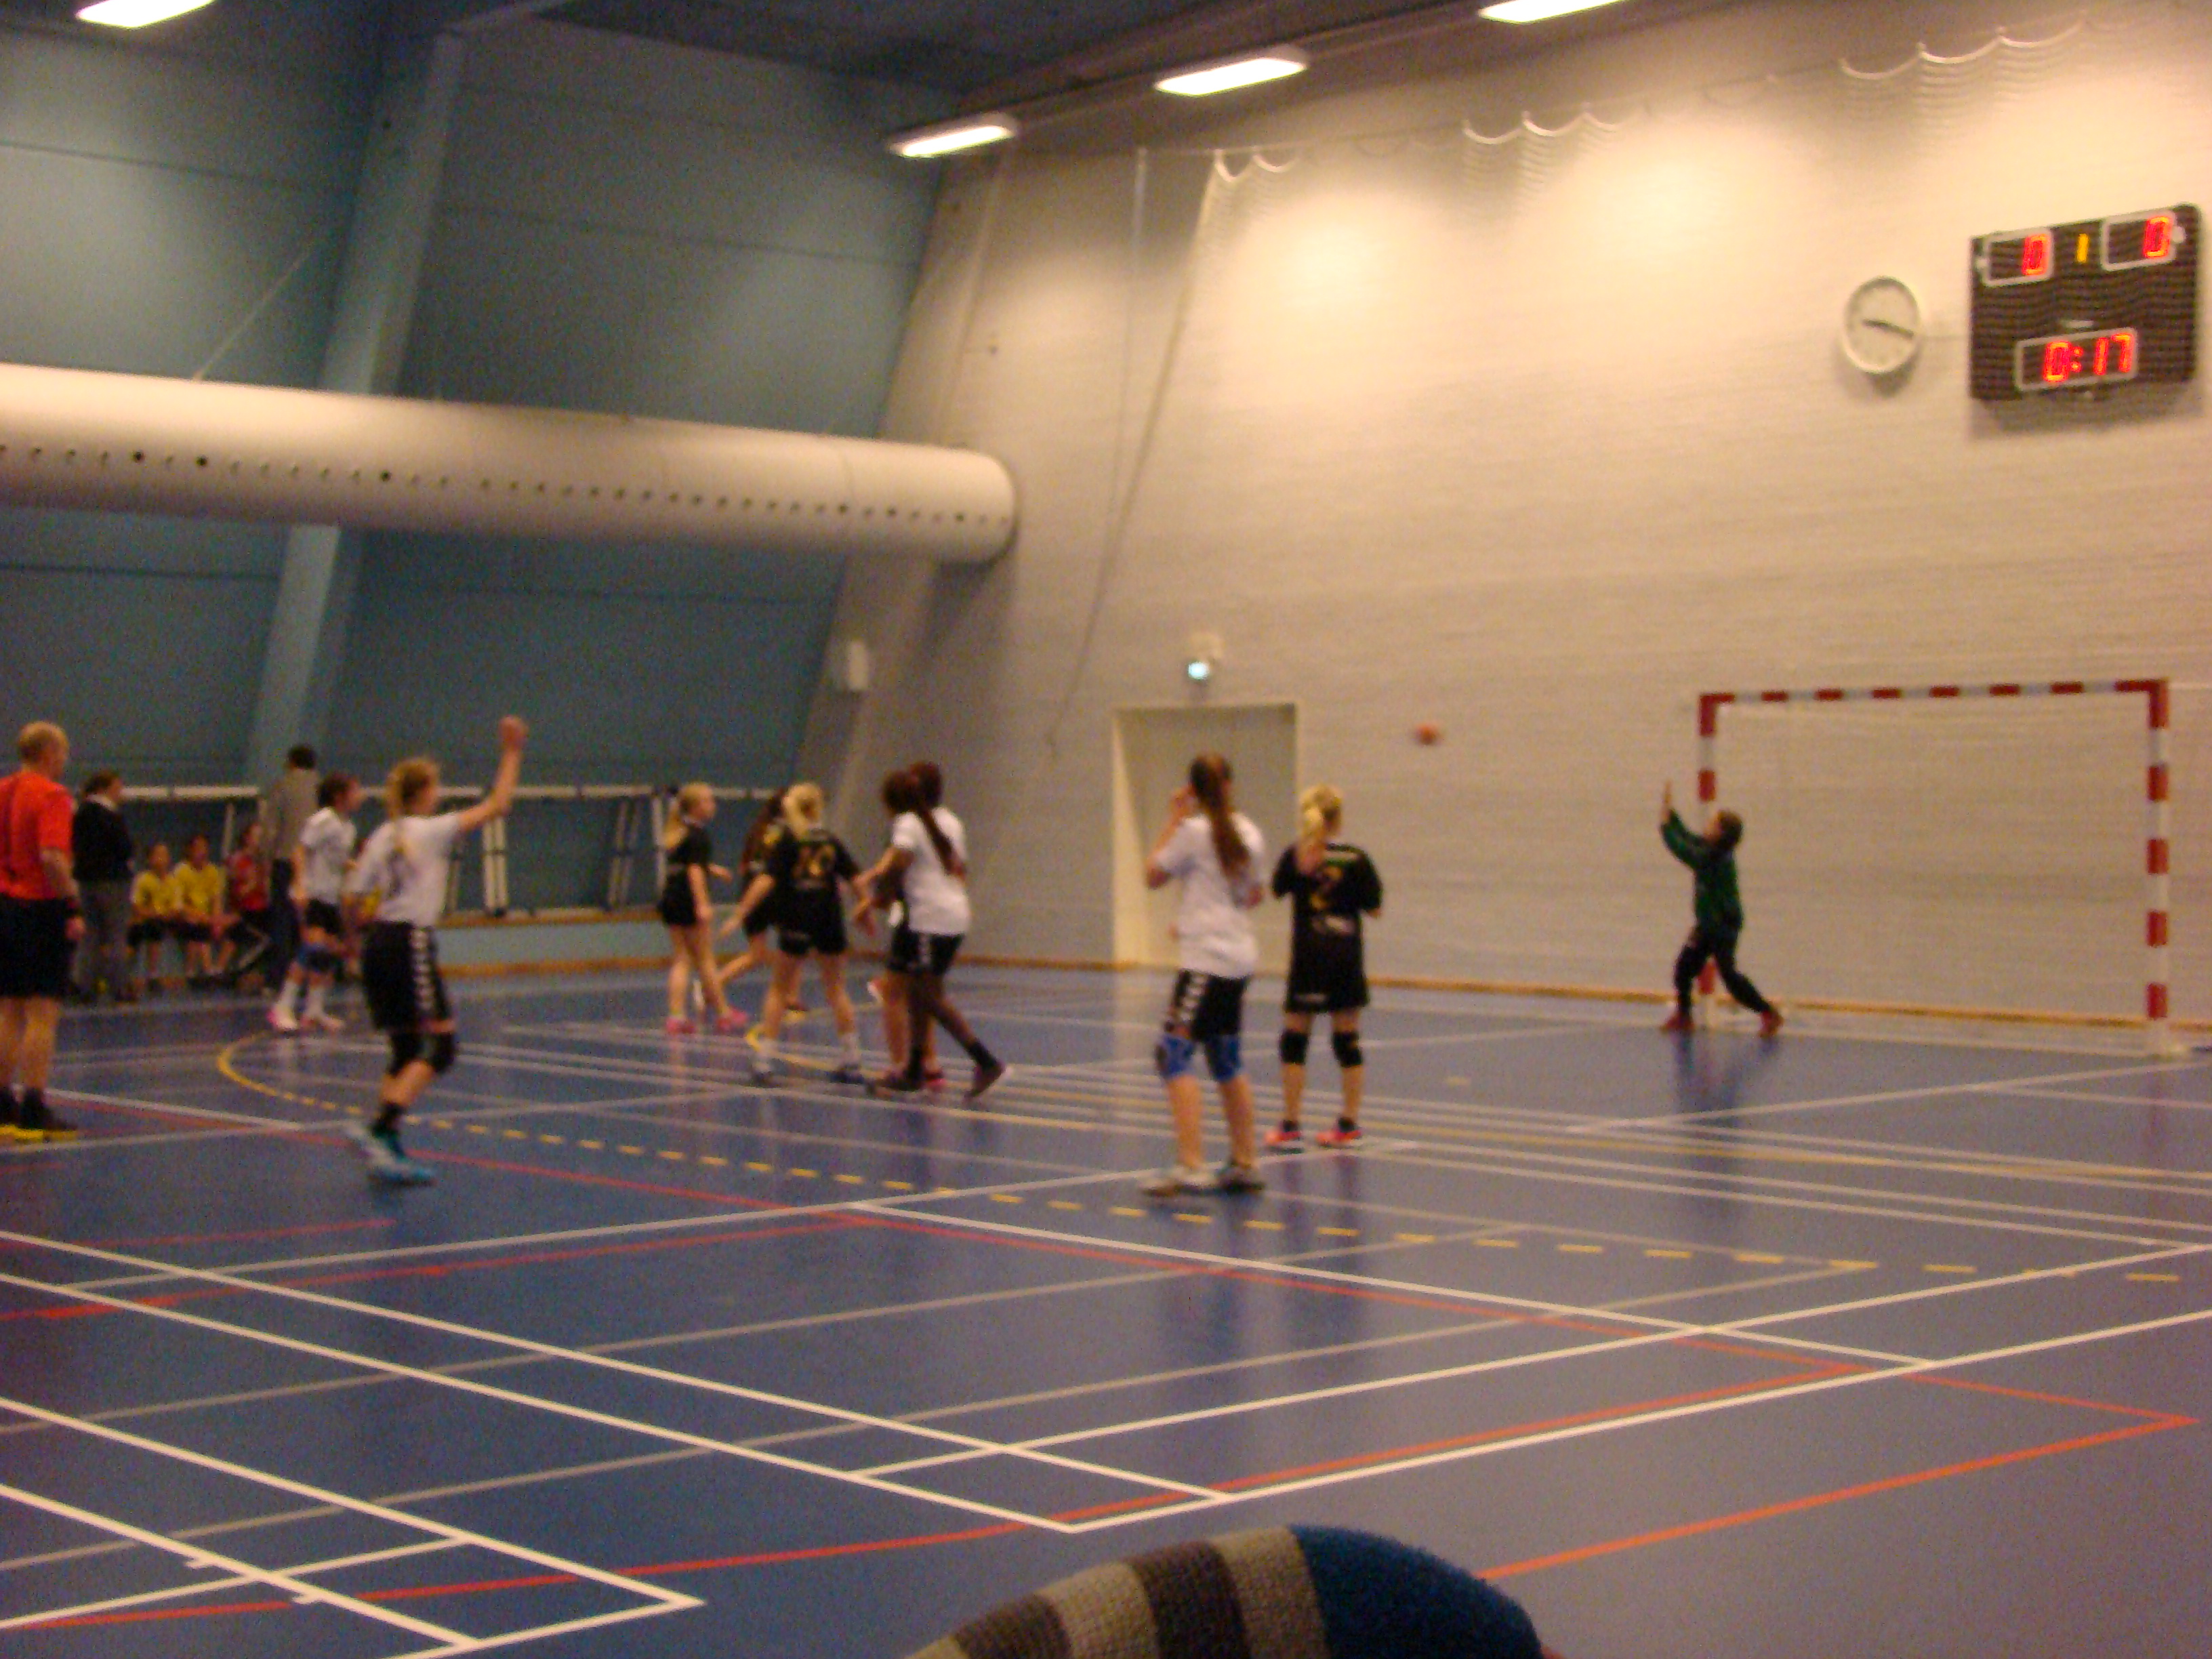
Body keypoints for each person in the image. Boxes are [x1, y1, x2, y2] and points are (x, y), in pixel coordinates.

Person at [342, 717, 527, 1183]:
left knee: (405, 1048)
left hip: (379, 942)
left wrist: (352, 945)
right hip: (410, 942)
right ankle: (382, 1130)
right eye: (435, 786)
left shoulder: (382, 835)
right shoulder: (430, 830)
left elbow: (351, 898)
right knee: (441, 1047)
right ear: (424, 792)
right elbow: (498, 805)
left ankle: (384, 1143)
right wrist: (511, 752)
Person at [1141, 754, 1266, 1197]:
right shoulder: (1250, 833)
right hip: (1239, 958)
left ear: (1193, 791)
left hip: (1206, 961)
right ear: (1229, 785)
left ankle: (1191, 1164)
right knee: (1225, 1057)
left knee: (1173, 1054)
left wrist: (1174, 817)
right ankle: (1245, 1162)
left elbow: (1152, 875)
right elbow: (1254, 895)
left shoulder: (1192, 832)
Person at [864, 761, 1006, 1101]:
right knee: (917, 993)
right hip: (951, 915)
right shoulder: (950, 821)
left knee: (929, 996)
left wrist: (881, 895)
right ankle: (915, 1070)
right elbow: (959, 868)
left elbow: (900, 862)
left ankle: (986, 1062)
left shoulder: (908, 823)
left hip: (931, 919)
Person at [1265, 784, 1384, 1151]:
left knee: (1294, 1040)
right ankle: (1348, 1123)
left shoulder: (1297, 855)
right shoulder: (1356, 859)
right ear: (1338, 817)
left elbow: (1276, 890)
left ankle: (1290, 1125)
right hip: (1345, 958)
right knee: (1347, 1041)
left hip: (1309, 958)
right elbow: (1375, 909)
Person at [737, 783, 867, 1086]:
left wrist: (741, 911)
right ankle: (852, 1059)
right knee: (836, 988)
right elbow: (856, 877)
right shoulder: (830, 840)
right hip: (829, 918)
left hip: (797, 917)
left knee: (779, 989)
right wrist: (865, 907)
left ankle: (764, 1060)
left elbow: (766, 880)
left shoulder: (789, 840)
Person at [1, 722, 82, 1141]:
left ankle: (2, 1102)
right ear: (49, 752)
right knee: (42, 1012)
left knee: (9, 1009)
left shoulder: (3, 790)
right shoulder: (52, 795)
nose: (65, 760)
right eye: (63, 752)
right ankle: (34, 1104)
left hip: (6, 904)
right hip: (40, 907)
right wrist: (72, 902)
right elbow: (52, 856)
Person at [1659, 782, 1782, 1038]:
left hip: (1723, 925)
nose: (1707, 825)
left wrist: (1664, 828)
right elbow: (1690, 838)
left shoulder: (1714, 858)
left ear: (1720, 833)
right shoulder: (1712, 848)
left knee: (1729, 976)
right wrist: (1672, 816)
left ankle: (1768, 1012)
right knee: (1684, 968)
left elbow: (1684, 850)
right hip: (1708, 923)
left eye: (1712, 823)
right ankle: (1684, 1016)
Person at [269, 773, 361, 1033]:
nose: (360, 796)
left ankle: (314, 1010)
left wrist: (357, 867)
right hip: (313, 894)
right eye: (355, 791)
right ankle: (282, 1007)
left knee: (325, 956)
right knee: (311, 950)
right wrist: (299, 885)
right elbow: (299, 851)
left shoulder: (348, 827)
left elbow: (335, 859)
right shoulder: (323, 820)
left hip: (331, 897)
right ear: (340, 796)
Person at [659, 782, 746, 1036]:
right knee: (705, 959)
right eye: (708, 801)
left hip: (671, 899)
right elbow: (694, 871)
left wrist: (713, 869)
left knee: (682, 959)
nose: (713, 805)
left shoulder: (679, 833)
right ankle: (724, 1013)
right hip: (688, 900)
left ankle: (676, 1016)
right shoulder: (699, 836)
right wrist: (702, 904)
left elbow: (689, 863)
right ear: (696, 807)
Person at [715, 790, 789, 1005]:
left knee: (757, 955)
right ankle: (790, 998)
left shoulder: (759, 830)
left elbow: (743, 867)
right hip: (772, 895)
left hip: (749, 893)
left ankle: (712, 986)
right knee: (793, 949)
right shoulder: (788, 833)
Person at [259, 744, 319, 994]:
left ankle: (277, 979)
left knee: (282, 920)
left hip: (286, 860)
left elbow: (271, 827)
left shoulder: (283, 786)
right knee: (307, 921)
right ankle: (305, 978)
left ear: (292, 762)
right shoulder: (321, 788)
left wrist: (264, 856)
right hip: (313, 863)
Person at [71, 771, 134, 1004]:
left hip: (86, 881)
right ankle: (119, 986)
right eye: (117, 787)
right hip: (113, 881)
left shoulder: (79, 813)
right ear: (104, 789)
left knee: (90, 935)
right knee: (117, 934)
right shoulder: (111, 814)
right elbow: (125, 847)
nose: (120, 792)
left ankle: (84, 986)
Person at [217, 820, 274, 983]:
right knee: (263, 937)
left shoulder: (263, 862)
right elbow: (238, 893)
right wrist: (254, 882)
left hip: (263, 910)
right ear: (247, 838)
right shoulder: (238, 861)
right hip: (246, 911)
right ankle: (231, 970)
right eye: (257, 837)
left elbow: (267, 891)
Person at [171, 832, 226, 985]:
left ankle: (209, 971)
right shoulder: (181, 871)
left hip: (205, 918)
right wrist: (200, 915)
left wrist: (217, 922)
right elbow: (178, 904)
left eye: (204, 848)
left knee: (206, 927)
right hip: (184, 916)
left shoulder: (213, 871)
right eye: (198, 848)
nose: (201, 852)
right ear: (189, 850)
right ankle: (199, 971)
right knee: (194, 924)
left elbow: (216, 900)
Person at [128, 841, 182, 991]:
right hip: (146, 920)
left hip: (167, 921)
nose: (161, 859)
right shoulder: (142, 879)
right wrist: (155, 914)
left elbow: (176, 909)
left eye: (164, 855)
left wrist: (164, 915)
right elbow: (137, 907)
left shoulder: (173, 881)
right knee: (141, 929)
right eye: (157, 855)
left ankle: (154, 974)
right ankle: (127, 975)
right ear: (149, 859)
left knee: (157, 928)